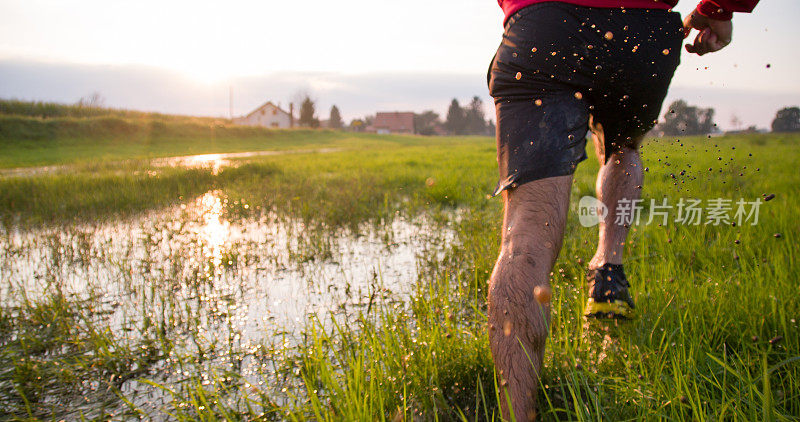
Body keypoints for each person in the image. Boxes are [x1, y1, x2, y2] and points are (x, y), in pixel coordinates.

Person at [486, 0, 759, 419]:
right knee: (622, 148)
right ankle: (609, 271)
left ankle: (516, 415)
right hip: (642, 29)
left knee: (524, 239)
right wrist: (719, 8)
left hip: (545, 26)